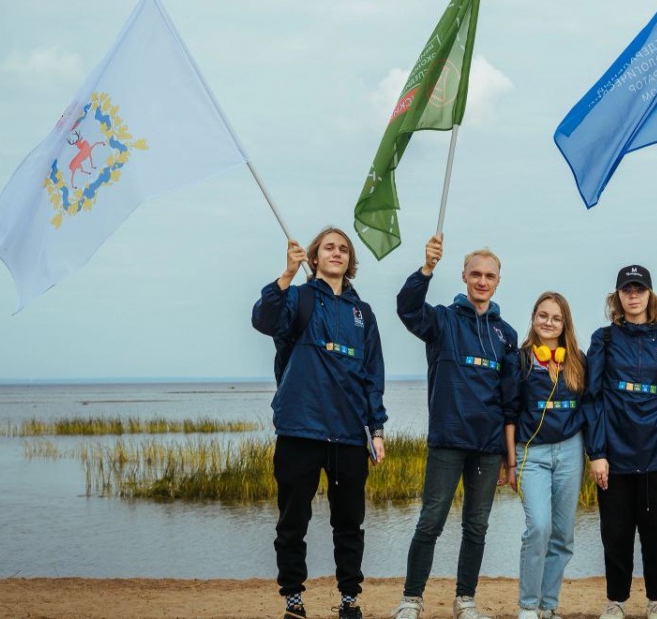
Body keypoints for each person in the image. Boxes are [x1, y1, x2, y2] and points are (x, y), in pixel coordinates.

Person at [251, 228, 387, 619]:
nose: (337, 253)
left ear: (350, 260)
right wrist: (286, 275)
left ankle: (349, 599)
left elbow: (372, 376)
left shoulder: (364, 314)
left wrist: (376, 430)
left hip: (348, 434)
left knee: (349, 525)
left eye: (343, 249)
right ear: (314, 257)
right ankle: (293, 598)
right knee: (293, 521)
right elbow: (263, 319)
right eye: (329, 247)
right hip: (299, 429)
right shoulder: (298, 298)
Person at [392, 234, 519, 619]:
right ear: (464, 277)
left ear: (498, 281)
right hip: (447, 441)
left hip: (487, 447)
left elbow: (510, 400)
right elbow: (407, 308)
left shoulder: (506, 334)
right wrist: (426, 269)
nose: (482, 281)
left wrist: (507, 457)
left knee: (476, 527)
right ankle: (411, 600)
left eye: (490, 276)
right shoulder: (442, 320)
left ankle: (465, 600)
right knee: (430, 521)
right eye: (475, 274)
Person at [584, 264, 657, 619]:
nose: (633, 295)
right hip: (615, 456)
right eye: (626, 289)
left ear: (649, 294)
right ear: (617, 296)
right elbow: (592, 399)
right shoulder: (604, 339)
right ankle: (616, 601)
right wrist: (597, 453)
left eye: (639, 289)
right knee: (616, 535)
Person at [504, 292, 588, 619]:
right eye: (543, 315)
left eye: (555, 317)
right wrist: (510, 463)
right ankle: (528, 606)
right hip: (530, 454)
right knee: (538, 526)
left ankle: (548, 606)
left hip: (570, 451)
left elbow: (589, 407)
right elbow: (509, 414)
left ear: (564, 322)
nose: (548, 322)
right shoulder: (520, 360)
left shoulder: (578, 359)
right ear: (534, 318)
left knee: (563, 535)